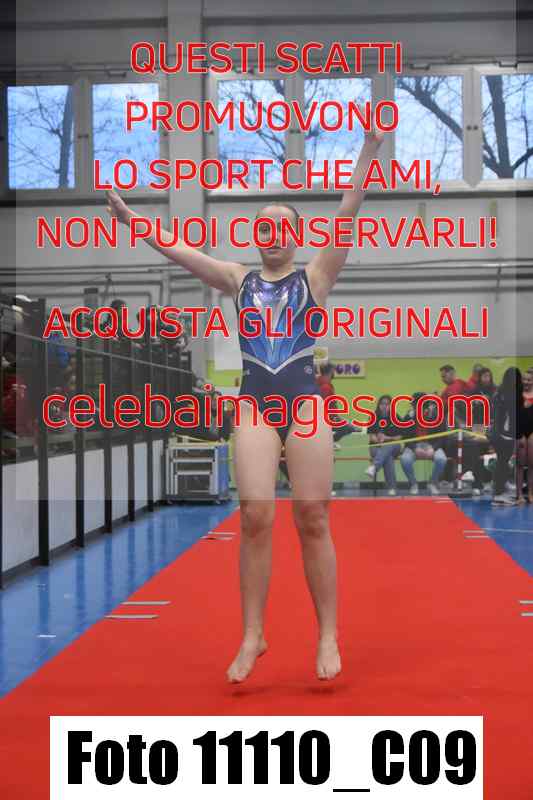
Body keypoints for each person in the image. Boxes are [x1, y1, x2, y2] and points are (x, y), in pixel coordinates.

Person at [105, 116, 385, 683]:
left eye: (283, 227)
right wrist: (134, 221)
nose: (273, 234)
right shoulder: (238, 280)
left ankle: (327, 633)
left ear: (297, 235)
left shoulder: (316, 277)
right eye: (264, 227)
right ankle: (253, 634)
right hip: (255, 404)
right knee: (255, 516)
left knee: (312, 516)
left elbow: (349, 209)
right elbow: (180, 252)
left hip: (304, 405)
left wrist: (369, 148)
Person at [399, 395, 448, 496]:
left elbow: (442, 437)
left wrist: (433, 448)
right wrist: (414, 448)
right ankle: (413, 484)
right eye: (415, 405)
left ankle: (432, 483)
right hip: (413, 446)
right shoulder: (409, 417)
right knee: (405, 460)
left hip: (432, 445)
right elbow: (405, 437)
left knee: (441, 459)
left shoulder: (437, 416)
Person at [490, 367, 524, 506]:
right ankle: (498, 495)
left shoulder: (499, 393)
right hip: (503, 435)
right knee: (502, 464)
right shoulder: (509, 395)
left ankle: (499, 492)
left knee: (502, 463)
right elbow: (511, 417)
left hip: (499, 433)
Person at [365, 395, 402, 496]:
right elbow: (371, 437)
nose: (384, 406)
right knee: (387, 457)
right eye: (382, 404)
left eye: (387, 404)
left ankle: (374, 467)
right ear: (378, 405)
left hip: (394, 446)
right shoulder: (373, 417)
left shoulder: (396, 417)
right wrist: (378, 441)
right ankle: (392, 488)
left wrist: (386, 438)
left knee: (388, 447)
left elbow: (400, 437)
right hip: (376, 446)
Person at [316, 362, 360, 446]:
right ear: (330, 371)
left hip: (326, 418)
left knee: (349, 426)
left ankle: (328, 442)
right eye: (333, 371)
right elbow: (324, 407)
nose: (334, 373)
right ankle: (328, 443)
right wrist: (336, 419)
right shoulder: (325, 387)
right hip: (326, 419)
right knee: (348, 428)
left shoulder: (319, 382)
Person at [518, 367, 533, 503]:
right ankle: (519, 495)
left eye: (529, 380)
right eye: (524, 379)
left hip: (532, 432)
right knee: (520, 465)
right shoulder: (518, 395)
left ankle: (530, 493)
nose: (527, 382)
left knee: (531, 464)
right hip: (520, 432)